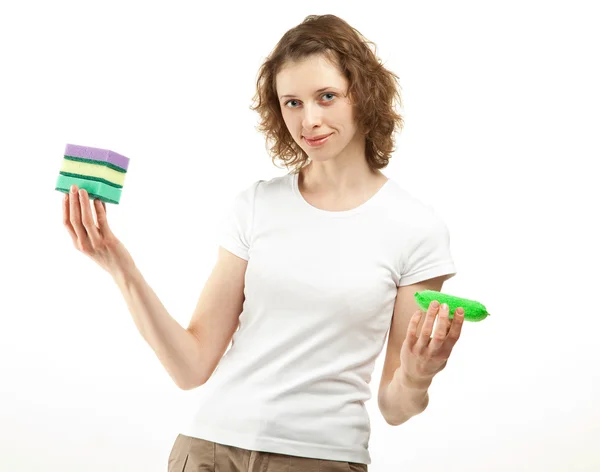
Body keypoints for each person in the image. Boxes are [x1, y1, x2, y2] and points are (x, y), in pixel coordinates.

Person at [62, 14, 464, 472]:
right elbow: (190, 367)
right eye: (292, 102)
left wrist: (417, 375)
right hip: (207, 448)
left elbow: (396, 407)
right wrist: (120, 266)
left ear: (363, 95)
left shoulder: (415, 228)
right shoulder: (256, 205)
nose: (308, 120)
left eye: (326, 97)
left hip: (321, 458)